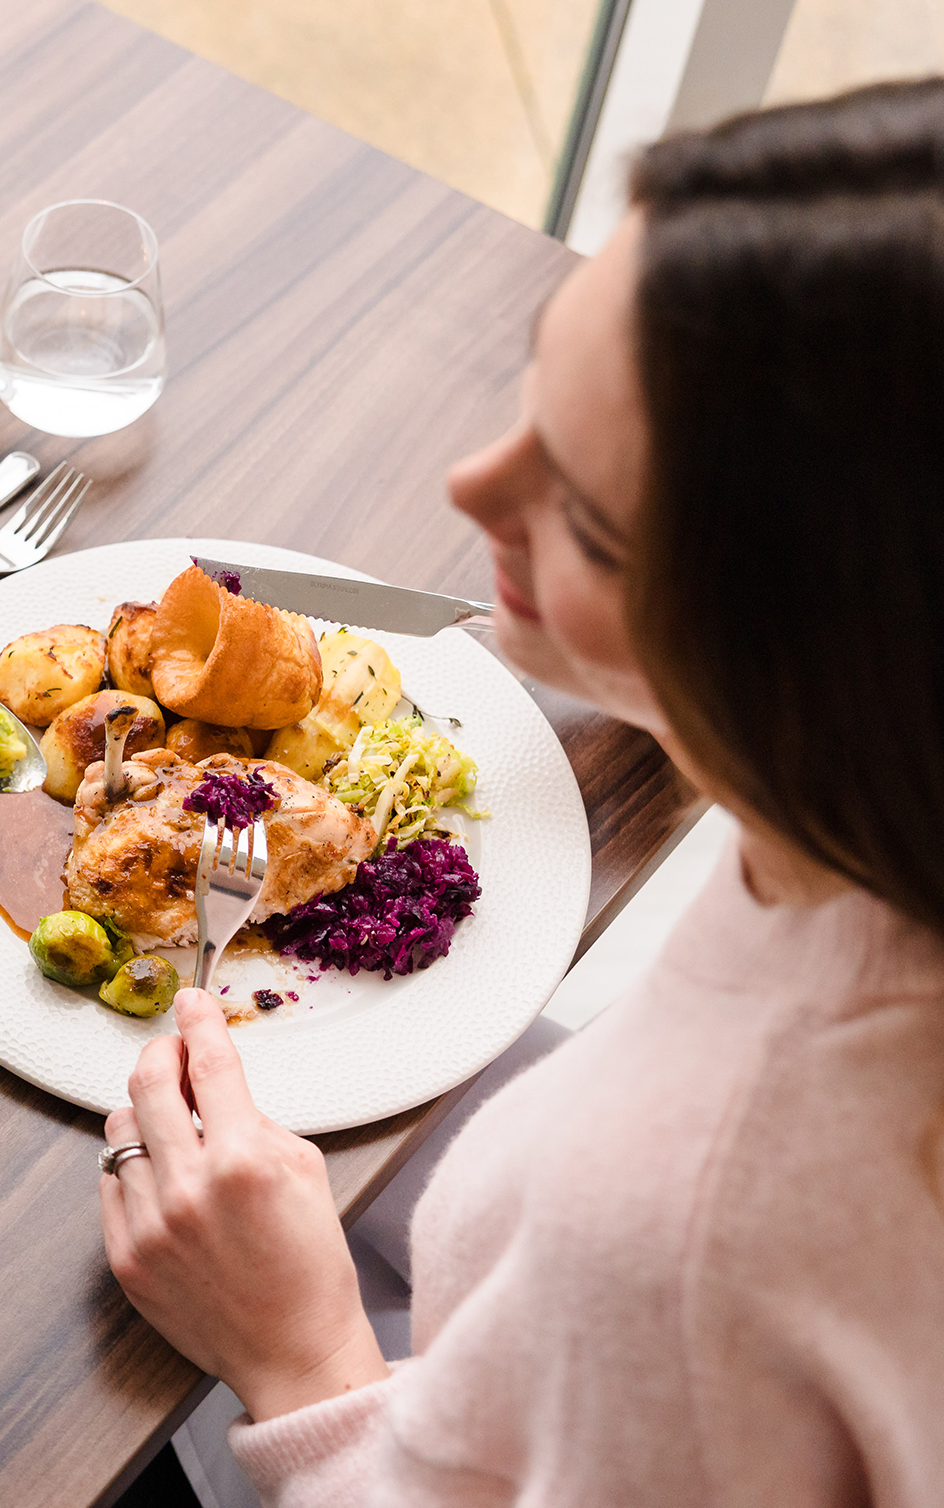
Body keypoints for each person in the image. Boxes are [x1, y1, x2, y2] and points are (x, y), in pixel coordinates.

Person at [97, 78, 944, 1504]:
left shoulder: (691, 1237)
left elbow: (656, 1272)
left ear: (820, 651)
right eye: (536, 382)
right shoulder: (863, 836)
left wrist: (299, 1362)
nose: (470, 486)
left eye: (594, 524)